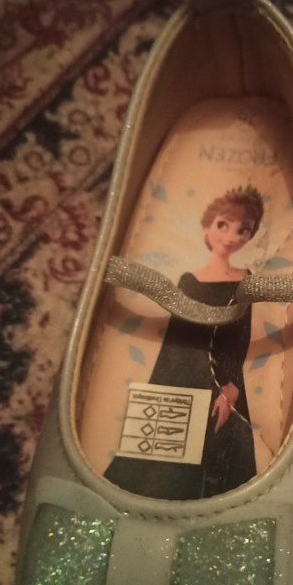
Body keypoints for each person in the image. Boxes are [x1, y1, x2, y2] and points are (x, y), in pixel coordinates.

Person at [104, 185, 264, 499]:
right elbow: (175, 345)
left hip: (228, 376)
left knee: (226, 455)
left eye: (243, 229)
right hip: (187, 377)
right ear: (206, 227)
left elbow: (242, 334)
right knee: (172, 459)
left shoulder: (247, 278)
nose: (232, 236)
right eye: (223, 225)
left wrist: (230, 385)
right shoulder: (189, 282)